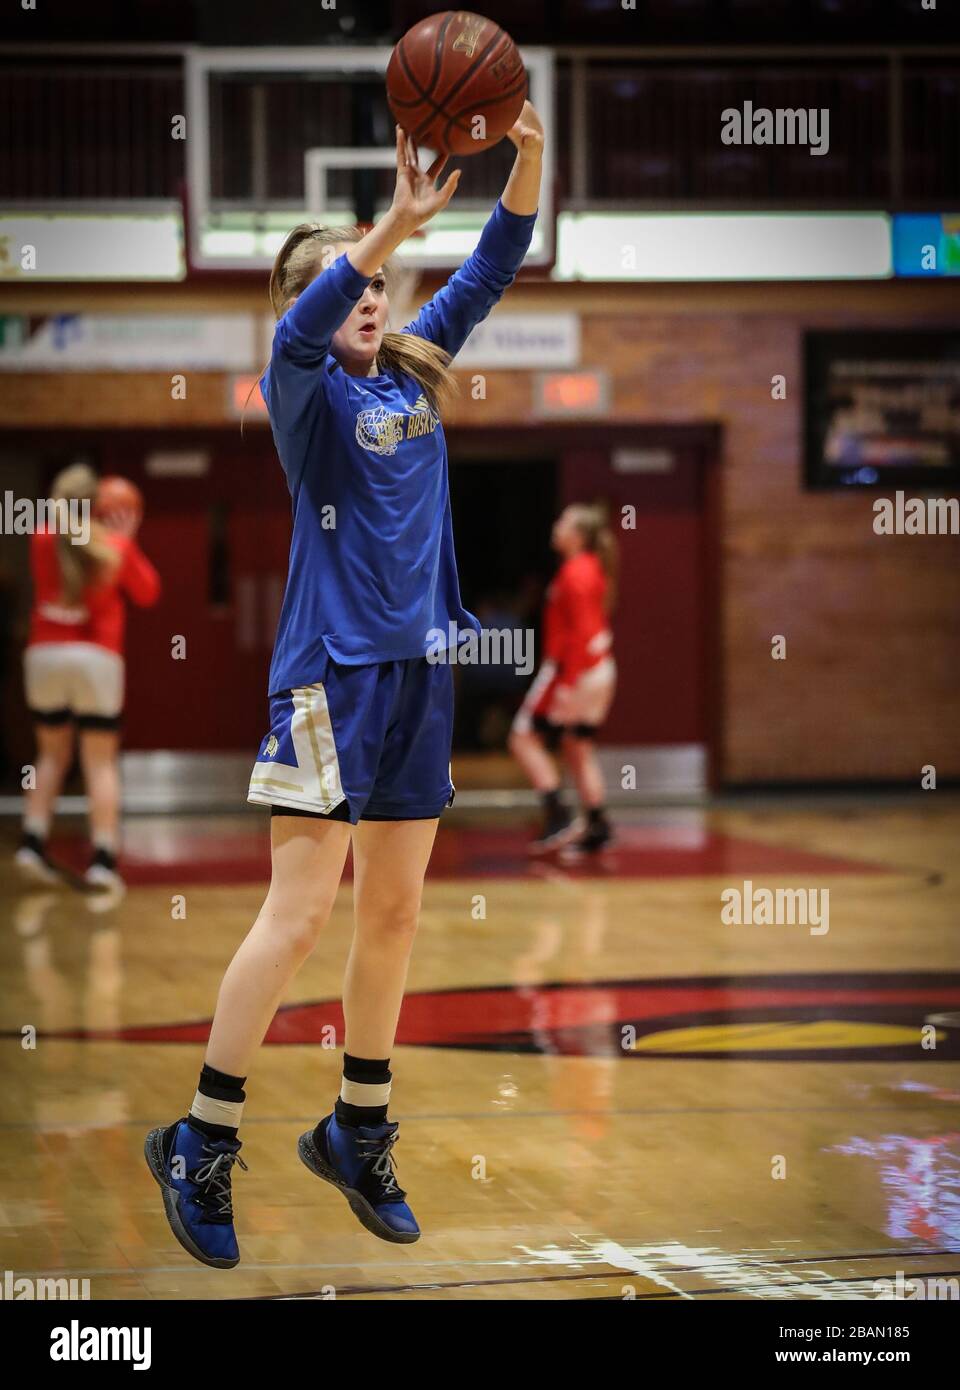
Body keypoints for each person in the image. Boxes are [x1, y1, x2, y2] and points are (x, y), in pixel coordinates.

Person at [145, 108, 544, 1268]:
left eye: (372, 281)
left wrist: (529, 158)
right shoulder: (302, 389)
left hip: (421, 675)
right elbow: (316, 317)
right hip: (330, 680)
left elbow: (494, 263)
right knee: (302, 913)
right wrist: (376, 240)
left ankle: (356, 1126)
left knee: (398, 912)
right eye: (339, 282)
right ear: (305, 304)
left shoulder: (415, 371)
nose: (365, 296)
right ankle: (202, 1138)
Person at [16, 463, 161, 890]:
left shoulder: (41, 536)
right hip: (96, 659)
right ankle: (102, 859)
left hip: (43, 656)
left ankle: (31, 840)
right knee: (98, 761)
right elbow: (149, 593)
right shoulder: (113, 544)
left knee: (50, 754)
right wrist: (127, 542)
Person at [509, 503, 618, 854]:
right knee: (577, 746)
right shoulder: (589, 569)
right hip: (598, 668)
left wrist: (567, 685)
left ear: (579, 535)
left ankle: (559, 815)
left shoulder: (576, 573)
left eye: (564, 522)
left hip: (574, 671)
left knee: (522, 738)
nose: (556, 526)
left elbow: (581, 634)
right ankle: (598, 823)